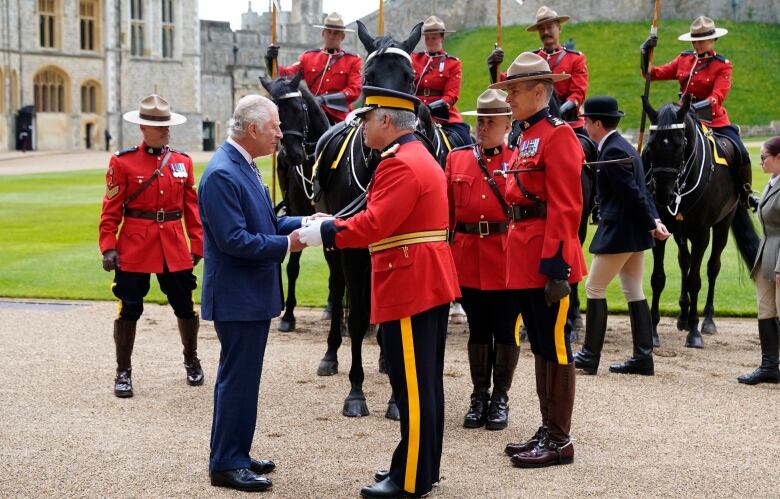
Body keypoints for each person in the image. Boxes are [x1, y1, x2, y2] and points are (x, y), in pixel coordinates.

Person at [299, 86, 460, 498]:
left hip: (410, 283)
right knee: (423, 383)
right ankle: (421, 466)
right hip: (421, 279)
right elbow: (374, 211)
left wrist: (326, 233)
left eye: (367, 117)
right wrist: (332, 218)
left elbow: (374, 224)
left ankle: (411, 479)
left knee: (414, 386)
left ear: (386, 120)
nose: (363, 124)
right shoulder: (411, 156)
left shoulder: (399, 164)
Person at [198, 95, 309, 492]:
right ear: (253, 130)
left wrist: (306, 222)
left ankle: (236, 454)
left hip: (248, 295)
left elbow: (266, 221)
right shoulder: (223, 174)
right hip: (237, 296)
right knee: (238, 379)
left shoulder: (242, 166)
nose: (281, 133)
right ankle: (226, 463)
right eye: (276, 126)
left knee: (244, 379)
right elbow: (234, 240)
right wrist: (288, 246)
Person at [490, 52, 586, 468]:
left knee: (557, 348)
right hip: (525, 254)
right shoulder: (524, 137)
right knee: (543, 347)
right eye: (508, 89)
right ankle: (547, 428)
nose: (508, 97)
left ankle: (560, 439)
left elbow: (567, 207)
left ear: (540, 91)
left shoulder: (558, 135)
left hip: (549, 259)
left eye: (514, 90)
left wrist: (556, 267)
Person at [98, 94, 203, 398]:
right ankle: (123, 371)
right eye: (160, 126)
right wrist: (108, 246)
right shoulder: (123, 161)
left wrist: (197, 243)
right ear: (143, 127)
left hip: (173, 244)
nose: (166, 130)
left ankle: (191, 359)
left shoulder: (182, 162)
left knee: (184, 304)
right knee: (129, 308)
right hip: (134, 244)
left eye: (168, 125)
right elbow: (111, 208)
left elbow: (191, 209)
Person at [572, 96, 670, 377]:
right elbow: (642, 191)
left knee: (594, 288)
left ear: (597, 123)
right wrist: (654, 220)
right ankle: (642, 357)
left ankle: (590, 356)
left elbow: (634, 194)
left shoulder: (613, 151)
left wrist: (652, 223)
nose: (584, 125)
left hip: (620, 231)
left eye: (587, 121)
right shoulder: (621, 146)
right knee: (632, 289)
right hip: (632, 230)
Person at [446, 89, 519, 431]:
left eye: (492, 122)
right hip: (468, 254)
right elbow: (446, 213)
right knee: (477, 328)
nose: (484, 127)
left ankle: (500, 397)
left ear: (507, 125)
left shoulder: (518, 159)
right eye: (480, 121)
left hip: (506, 256)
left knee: (504, 328)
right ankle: (478, 395)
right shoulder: (457, 159)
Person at [641, 15, 757, 209]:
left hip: (713, 120)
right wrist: (645, 53)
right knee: (652, 148)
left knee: (740, 151)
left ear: (713, 40)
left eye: (701, 40)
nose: (697, 44)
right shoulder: (684, 59)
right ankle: (642, 187)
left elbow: (717, 97)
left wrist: (691, 110)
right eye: (694, 40)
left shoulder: (723, 65)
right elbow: (652, 75)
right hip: (682, 120)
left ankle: (745, 193)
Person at [487, 5, 588, 133]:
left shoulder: (575, 59)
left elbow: (578, 94)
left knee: (585, 148)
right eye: (541, 29)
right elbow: (505, 83)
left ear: (559, 28)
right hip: (533, 118)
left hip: (567, 120)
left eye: (550, 27)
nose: (546, 32)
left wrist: (559, 112)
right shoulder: (531, 59)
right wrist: (493, 66)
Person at [265, 12, 362, 125]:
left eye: (336, 33)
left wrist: (325, 100)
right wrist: (271, 60)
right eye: (328, 32)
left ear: (342, 37)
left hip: (340, 118)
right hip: (312, 115)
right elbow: (284, 76)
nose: (331, 36)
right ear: (323, 33)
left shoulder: (352, 60)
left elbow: (354, 90)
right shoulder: (309, 57)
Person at [738, 136, 780, 385]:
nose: (760, 162)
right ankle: (769, 366)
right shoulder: (773, 181)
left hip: (778, 256)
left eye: (764, 157)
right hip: (766, 253)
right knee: (766, 309)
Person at [412, 16, 472, 145]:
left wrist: (429, 109)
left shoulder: (453, 63)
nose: (430, 41)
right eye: (427, 37)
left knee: (465, 141)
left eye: (434, 37)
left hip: (441, 116)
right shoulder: (414, 59)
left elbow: (452, 95)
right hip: (413, 112)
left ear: (442, 37)